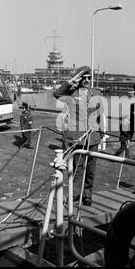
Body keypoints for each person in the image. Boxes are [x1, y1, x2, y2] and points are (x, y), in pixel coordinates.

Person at [54, 66, 106, 206]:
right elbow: (57, 93)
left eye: (89, 78)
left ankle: (87, 195)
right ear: (80, 79)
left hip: (93, 137)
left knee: (91, 170)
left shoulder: (96, 93)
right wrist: (71, 82)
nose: (87, 80)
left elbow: (100, 116)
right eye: (84, 78)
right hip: (78, 137)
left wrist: (101, 137)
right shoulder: (71, 93)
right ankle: (75, 195)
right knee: (78, 169)